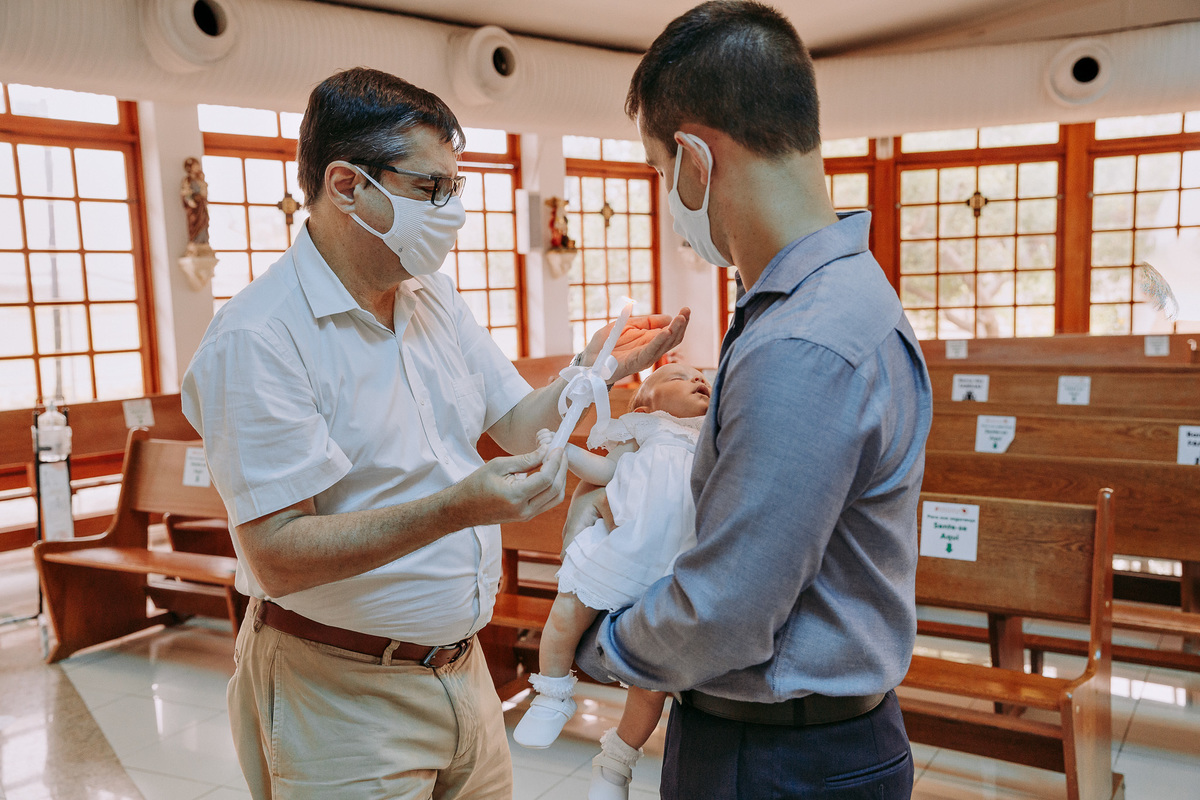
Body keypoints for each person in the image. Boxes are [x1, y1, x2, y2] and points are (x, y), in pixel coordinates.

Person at [180, 67, 688, 800]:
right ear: (347, 185)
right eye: (430, 190)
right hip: (339, 689)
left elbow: (514, 422)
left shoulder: (431, 298)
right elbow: (278, 553)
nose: (450, 211)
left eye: (454, 188)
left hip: (461, 669)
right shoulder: (259, 338)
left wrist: (593, 372)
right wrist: (457, 508)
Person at [572, 3, 934, 799]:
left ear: (696, 161)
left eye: (661, 170)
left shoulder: (800, 339)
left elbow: (725, 610)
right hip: (817, 739)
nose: (669, 194)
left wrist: (598, 641)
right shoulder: (839, 291)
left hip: (780, 759)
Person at [514, 363, 712, 799]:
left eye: (703, 376)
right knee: (566, 613)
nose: (699, 379)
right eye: (680, 375)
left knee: (653, 681)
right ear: (647, 402)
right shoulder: (646, 434)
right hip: (622, 550)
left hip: (671, 575)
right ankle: (552, 691)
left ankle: (616, 762)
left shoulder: (711, 441)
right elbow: (601, 472)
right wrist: (563, 450)